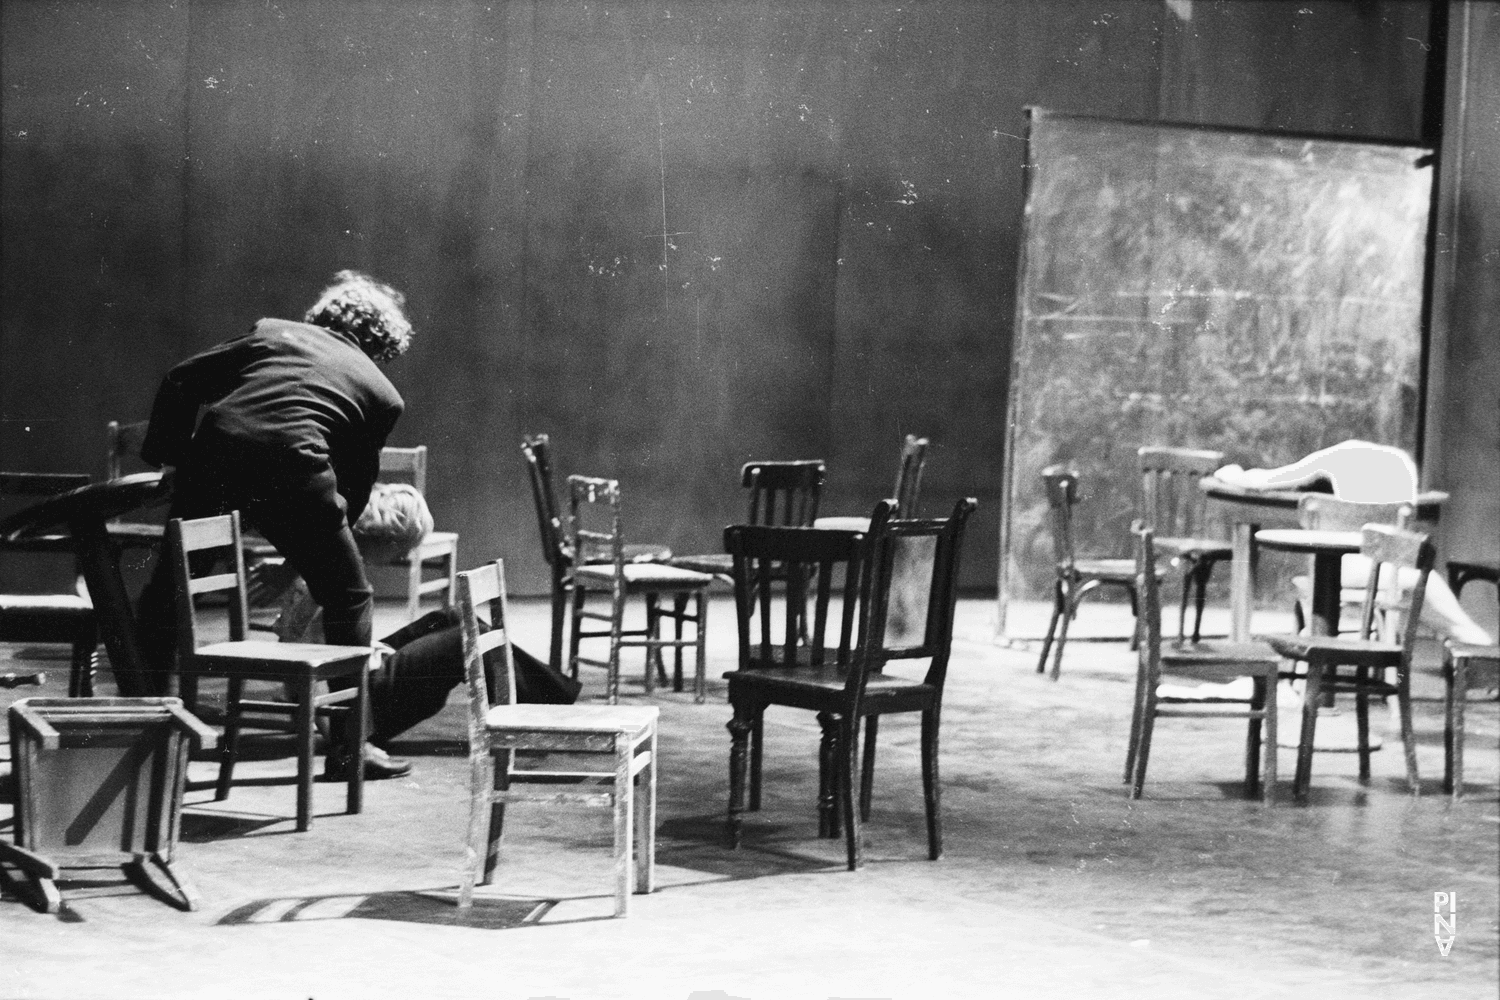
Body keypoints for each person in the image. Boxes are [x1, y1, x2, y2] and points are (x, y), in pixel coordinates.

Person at [134, 270, 413, 777]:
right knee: (349, 597)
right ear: (383, 343)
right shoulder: (382, 392)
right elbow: (351, 489)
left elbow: (180, 379)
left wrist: (172, 463)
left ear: (324, 315)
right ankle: (351, 749)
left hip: (215, 456)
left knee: (170, 591)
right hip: (295, 470)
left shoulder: (273, 332)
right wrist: (299, 560)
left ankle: (143, 726)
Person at [1215, 439, 1491, 645]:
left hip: (1346, 569)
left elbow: (1264, 480)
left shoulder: (1336, 456)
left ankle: (1306, 653)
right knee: (1436, 597)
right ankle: (1481, 648)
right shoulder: (1400, 462)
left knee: (1323, 571)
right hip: (1396, 571)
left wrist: (1231, 474)